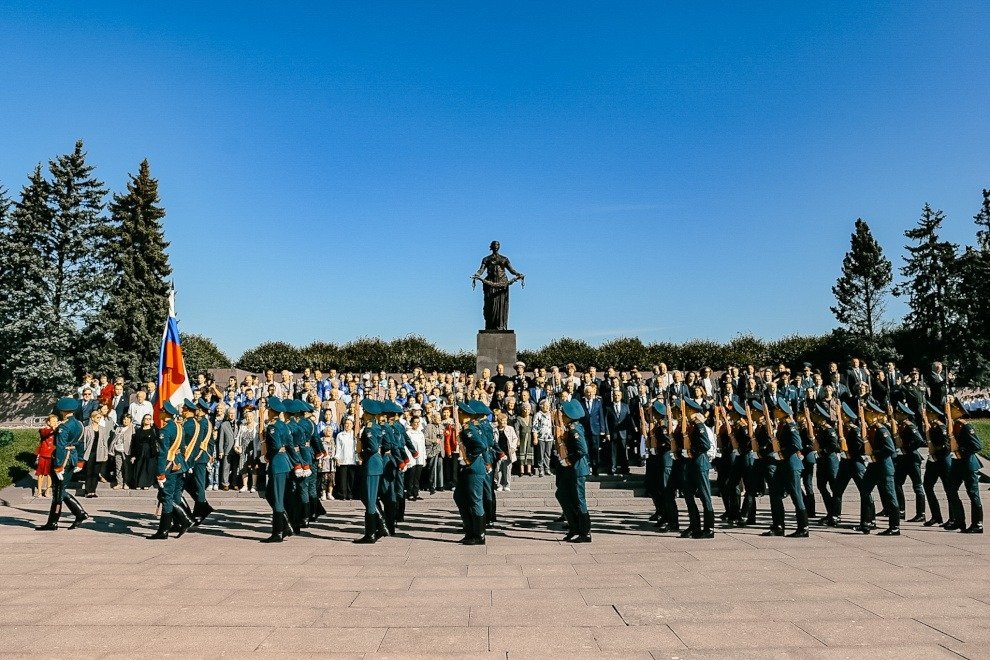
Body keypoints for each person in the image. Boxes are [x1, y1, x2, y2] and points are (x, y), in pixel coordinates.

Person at [36, 398, 90, 531]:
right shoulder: (79, 424)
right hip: (73, 458)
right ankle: (79, 514)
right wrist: (80, 460)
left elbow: (60, 447)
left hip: (64, 459)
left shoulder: (63, 426)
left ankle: (54, 522)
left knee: (58, 491)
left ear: (62, 411)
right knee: (61, 490)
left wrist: (59, 466)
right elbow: (81, 443)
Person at [147, 402, 193, 539]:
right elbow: (183, 448)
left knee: (166, 497)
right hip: (179, 465)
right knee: (173, 496)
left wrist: (160, 473)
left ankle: (166, 529)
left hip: (169, 467)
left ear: (165, 413)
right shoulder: (179, 427)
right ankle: (180, 522)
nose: (159, 413)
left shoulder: (165, 430)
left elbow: (162, 453)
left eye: (161, 411)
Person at [945, 396, 984, 533]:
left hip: (968, 464)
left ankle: (978, 523)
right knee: (950, 489)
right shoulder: (953, 425)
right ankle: (959, 520)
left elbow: (977, 445)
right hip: (957, 464)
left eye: (951, 409)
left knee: (973, 493)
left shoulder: (965, 426)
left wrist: (961, 450)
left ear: (957, 410)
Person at [557, 399, 591, 542]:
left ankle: (585, 532)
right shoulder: (571, 427)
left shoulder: (574, 429)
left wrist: (569, 459)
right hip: (572, 469)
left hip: (577, 469)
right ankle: (574, 527)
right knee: (562, 494)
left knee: (579, 500)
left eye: (563, 415)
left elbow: (582, 449)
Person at [680, 400, 715, 539]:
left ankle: (709, 528)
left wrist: (691, 451)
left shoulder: (699, 425)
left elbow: (705, 445)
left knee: (705, 497)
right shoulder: (691, 425)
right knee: (688, 496)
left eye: (687, 409)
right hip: (691, 465)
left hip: (700, 465)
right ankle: (695, 526)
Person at [261, 397, 293, 542]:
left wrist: (267, 455)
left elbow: (275, 445)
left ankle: (278, 532)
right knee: (270, 494)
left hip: (277, 463)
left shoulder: (273, 427)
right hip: (284, 461)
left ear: (272, 411)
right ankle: (284, 526)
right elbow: (289, 443)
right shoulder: (284, 425)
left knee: (277, 498)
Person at [354, 399, 386, 544]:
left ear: (367, 413)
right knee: (366, 496)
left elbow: (372, 448)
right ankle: (379, 527)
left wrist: (362, 453)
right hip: (375, 463)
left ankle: (370, 533)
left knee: (370, 498)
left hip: (371, 463)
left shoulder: (369, 429)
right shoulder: (375, 426)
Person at [81, 409, 110, 498]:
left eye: (100, 417)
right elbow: (84, 442)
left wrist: (106, 454)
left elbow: (105, 442)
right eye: (97, 417)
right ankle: (88, 491)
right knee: (89, 472)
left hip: (99, 452)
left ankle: (93, 490)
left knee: (96, 473)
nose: (99, 419)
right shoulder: (87, 429)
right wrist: (84, 453)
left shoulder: (103, 429)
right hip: (90, 453)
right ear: (92, 418)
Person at [130, 414, 158, 489]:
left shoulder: (154, 430)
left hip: (150, 451)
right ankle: (138, 484)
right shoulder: (138, 431)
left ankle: (146, 484)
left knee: (148, 467)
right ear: (143, 420)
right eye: (146, 419)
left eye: (149, 419)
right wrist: (133, 455)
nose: (147, 420)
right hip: (140, 451)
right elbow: (134, 443)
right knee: (139, 466)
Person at [493, 412, 519, 492]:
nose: (504, 422)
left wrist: (513, 447)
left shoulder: (510, 429)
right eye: (502, 421)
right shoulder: (495, 430)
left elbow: (515, 438)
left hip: (508, 451)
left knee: (507, 469)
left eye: (505, 421)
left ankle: (507, 485)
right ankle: (499, 484)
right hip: (499, 452)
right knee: (498, 468)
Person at [236, 409, 261, 492]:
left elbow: (260, 439)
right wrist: (237, 446)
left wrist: (258, 449)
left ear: (253, 417)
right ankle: (245, 485)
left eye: (250, 416)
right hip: (243, 450)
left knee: (254, 468)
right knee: (243, 468)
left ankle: (254, 486)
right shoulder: (242, 426)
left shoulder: (257, 426)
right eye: (247, 417)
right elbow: (238, 437)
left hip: (253, 450)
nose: (249, 418)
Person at [109, 413, 134, 490]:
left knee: (126, 467)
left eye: (127, 419)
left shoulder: (132, 429)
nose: (125, 420)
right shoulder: (118, 428)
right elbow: (114, 439)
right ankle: (119, 483)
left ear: (130, 420)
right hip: (117, 450)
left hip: (127, 451)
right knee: (118, 467)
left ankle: (126, 483)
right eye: (124, 419)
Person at [334, 418, 356, 500]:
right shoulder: (340, 435)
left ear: (352, 425)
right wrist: (337, 458)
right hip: (343, 459)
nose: (348, 425)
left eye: (350, 423)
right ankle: (343, 494)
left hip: (352, 460)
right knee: (343, 479)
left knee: (351, 479)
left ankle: (350, 495)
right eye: (346, 423)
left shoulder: (355, 435)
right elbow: (338, 448)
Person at [35, 415, 57, 498]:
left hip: (52, 454)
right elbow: (44, 434)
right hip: (43, 454)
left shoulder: (57, 430)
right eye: (53, 421)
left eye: (56, 421)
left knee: (50, 474)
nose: (55, 423)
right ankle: (39, 491)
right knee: (40, 473)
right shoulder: (43, 429)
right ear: (48, 422)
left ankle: (48, 491)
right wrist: (52, 429)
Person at [216, 407, 237, 491]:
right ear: (228, 415)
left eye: (233, 413)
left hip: (236, 450)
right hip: (227, 449)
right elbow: (221, 439)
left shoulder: (239, 423)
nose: (232, 415)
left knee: (236, 467)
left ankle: (234, 483)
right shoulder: (224, 424)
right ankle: (225, 483)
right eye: (230, 413)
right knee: (226, 467)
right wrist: (221, 451)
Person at [532, 399, 554, 477]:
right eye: (546, 406)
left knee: (548, 454)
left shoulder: (551, 414)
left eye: (548, 406)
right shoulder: (538, 414)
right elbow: (534, 427)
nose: (548, 407)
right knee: (541, 454)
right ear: (541, 406)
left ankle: (547, 469)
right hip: (541, 437)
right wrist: (535, 437)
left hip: (549, 437)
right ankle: (540, 469)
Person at [514, 402, 534, 477]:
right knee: (521, 452)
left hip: (530, 437)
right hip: (522, 437)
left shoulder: (532, 418)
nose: (526, 411)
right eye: (525, 409)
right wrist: (517, 439)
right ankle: (521, 470)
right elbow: (517, 429)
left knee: (529, 451)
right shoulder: (519, 418)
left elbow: (534, 428)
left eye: (528, 409)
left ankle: (529, 470)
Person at [318, 425, 336, 500]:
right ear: (325, 432)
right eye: (328, 431)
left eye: (330, 431)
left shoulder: (333, 440)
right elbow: (320, 452)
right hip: (324, 462)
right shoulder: (321, 440)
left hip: (332, 462)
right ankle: (323, 493)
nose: (329, 432)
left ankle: (330, 493)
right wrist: (319, 462)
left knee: (331, 479)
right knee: (324, 479)